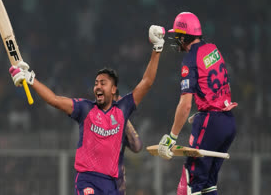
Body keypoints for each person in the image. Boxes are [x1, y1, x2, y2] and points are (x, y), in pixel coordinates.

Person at [9, 25, 165, 195]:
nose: (98, 86)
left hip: (112, 184)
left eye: (103, 83)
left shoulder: (122, 108)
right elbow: (54, 100)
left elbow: (147, 82)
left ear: (114, 90)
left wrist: (157, 48)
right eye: (96, 83)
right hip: (87, 179)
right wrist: (31, 79)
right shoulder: (85, 109)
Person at [157, 12, 237, 195]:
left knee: (189, 185)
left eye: (177, 36)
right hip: (228, 122)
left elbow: (185, 105)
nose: (176, 40)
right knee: (208, 186)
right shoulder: (212, 48)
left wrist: (171, 137)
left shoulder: (190, 59)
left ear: (184, 36)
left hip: (211, 122)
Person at [113, 90, 143, 195]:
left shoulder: (120, 126)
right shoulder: (94, 118)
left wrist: (123, 116)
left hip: (117, 185)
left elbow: (137, 146)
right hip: (97, 182)